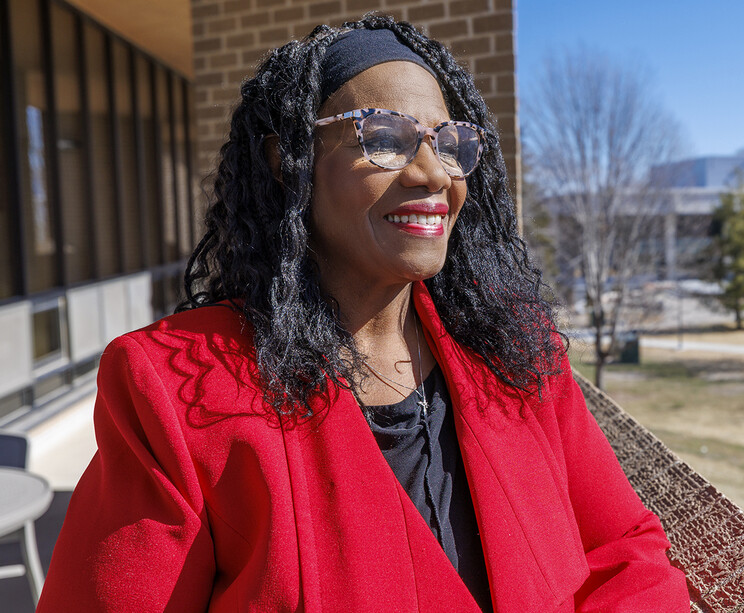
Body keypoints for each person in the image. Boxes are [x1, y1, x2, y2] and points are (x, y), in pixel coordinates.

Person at [37, 15, 688, 612]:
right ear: (289, 161)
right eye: (384, 136)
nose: (433, 172)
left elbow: (627, 547)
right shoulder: (179, 392)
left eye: (450, 142)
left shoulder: (515, 357)